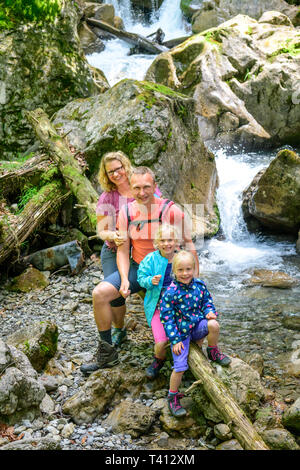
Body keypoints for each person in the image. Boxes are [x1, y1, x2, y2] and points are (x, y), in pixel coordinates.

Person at [80, 167, 199, 375]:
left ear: (155, 186)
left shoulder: (172, 211)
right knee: (100, 294)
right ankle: (107, 353)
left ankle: (186, 350)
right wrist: (125, 279)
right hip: (138, 268)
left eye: (146, 187)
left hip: (169, 270)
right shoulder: (126, 212)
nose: (142, 192)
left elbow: (188, 245)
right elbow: (123, 250)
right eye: (137, 188)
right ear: (131, 188)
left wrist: (194, 278)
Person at [96, 151, 162, 347]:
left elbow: (160, 209)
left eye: (119, 169)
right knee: (115, 295)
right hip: (114, 250)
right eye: (111, 172)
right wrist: (113, 235)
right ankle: (119, 329)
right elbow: (101, 231)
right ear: (106, 176)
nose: (116, 174)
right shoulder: (107, 198)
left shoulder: (139, 188)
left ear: (125, 167)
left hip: (142, 252)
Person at [160, 250, 231, 418]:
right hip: (180, 332)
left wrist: (209, 312)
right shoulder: (170, 292)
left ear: (194, 269)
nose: (185, 274)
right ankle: (172, 396)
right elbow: (167, 318)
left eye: (188, 269)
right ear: (174, 271)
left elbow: (207, 301)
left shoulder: (199, 285)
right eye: (180, 270)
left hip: (197, 325)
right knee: (179, 367)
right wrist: (175, 339)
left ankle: (212, 351)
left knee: (214, 324)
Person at [137, 224, 180, 379]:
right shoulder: (151, 259)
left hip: (178, 306)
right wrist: (150, 280)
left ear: (176, 242)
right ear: (157, 243)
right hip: (158, 307)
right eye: (162, 240)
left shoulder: (180, 258)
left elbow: (191, 278)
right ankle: (158, 360)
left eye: (170, 240)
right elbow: (140, 278)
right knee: (161, 342)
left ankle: (184, 359)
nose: (166, 244)